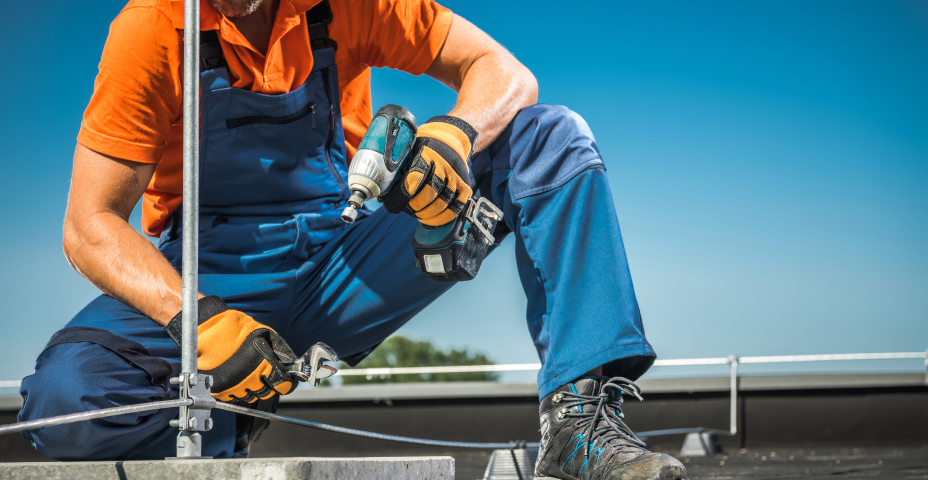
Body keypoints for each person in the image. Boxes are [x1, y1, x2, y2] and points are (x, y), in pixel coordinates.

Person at [17, 0, 687, 478]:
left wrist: (455, 135)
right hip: (206, 271)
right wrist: (192, 319)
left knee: (550, 135)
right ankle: (226, 418)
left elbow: (502, 71)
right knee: (65, 405)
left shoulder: (348, 6)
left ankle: (578, 424)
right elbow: (90, 225)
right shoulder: (153, 30)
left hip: (342, 257)